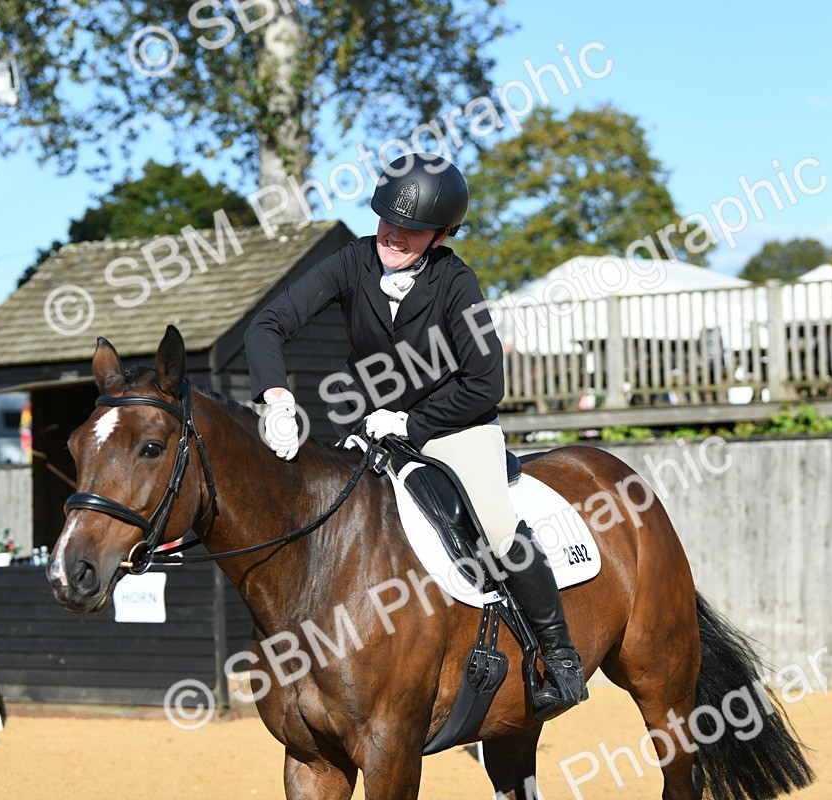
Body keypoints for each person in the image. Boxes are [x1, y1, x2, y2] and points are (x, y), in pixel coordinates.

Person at [244, 152, 587, 721]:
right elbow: (268, 323)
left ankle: (560, 653)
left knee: (497, 527)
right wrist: (276, 398)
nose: (393, 236)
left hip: (453, 426)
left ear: (441, 235)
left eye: (411, 229)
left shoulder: (456, 281)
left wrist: (412, 423)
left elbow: (485, 382)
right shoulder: (351, 261)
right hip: (369, 429)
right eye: (387, 221)